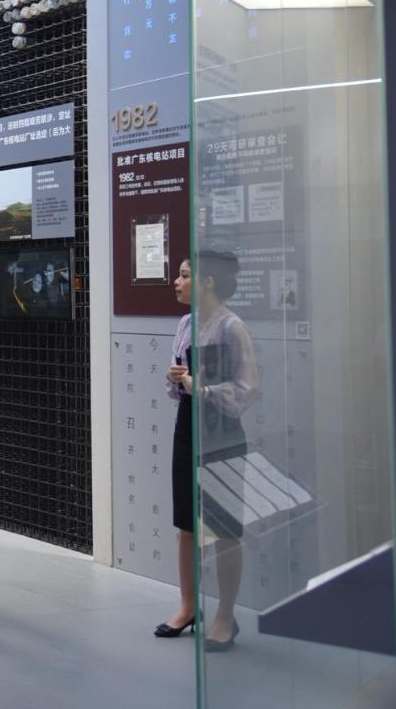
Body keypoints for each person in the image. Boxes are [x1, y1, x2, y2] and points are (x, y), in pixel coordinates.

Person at [157, 253, 257, 650]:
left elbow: (247, 390)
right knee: (186, 524)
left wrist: (200, 387)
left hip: (221, 433)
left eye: (184, 275)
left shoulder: (233, 328)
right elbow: (178, 383)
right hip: (187, 426)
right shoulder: (186, 324)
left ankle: (225, 615)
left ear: (208, 281)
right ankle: (188, 606)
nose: (177, 282)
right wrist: (177, 380)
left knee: (224, 529)